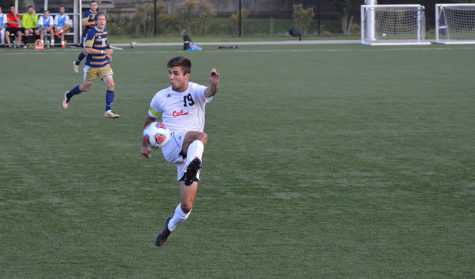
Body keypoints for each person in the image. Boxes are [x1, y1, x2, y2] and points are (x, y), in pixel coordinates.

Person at [141, 56, 220, 247]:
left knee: (186, 207)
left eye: (175, 74)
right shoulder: (161, 96)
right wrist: (145, 143)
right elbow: (150, 120)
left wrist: (215, 84)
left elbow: (209, 92)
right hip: (171, 144)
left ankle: (168, 228)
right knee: (201, 136)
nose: (171, 77)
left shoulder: (196, 91)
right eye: (170, 73)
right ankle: (195, 163)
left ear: (187, 75)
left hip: (189, 152)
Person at [62, 13, 120, 119]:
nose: (102, 21)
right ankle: (68, 95)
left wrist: (107, 54)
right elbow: (88, 50)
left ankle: (108, 111)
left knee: (111, 84)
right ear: (96, 22)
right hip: (92, 66)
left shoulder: (105, 30)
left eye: (104, 19)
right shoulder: (92, 33)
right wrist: (104, 52)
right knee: (85, 88)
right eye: (100, 20)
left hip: (104, 64)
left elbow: (104, 44)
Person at [73, 0, 97, 73]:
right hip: (87, 35)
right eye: (92, 5)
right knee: (87, 51)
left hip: (96, 35)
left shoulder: (98, 13)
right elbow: (83, 24)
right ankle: (77, 62)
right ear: (90, 6)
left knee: (95, 50)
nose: (94, 6)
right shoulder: (87, 13)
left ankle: (93, 67)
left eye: (95, 5)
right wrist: (92, 23)